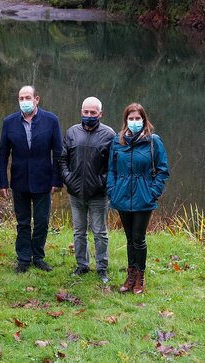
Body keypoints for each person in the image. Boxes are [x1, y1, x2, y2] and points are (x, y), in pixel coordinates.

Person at [0, 85, 63, 273]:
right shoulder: (9, 122)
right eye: (21, 98)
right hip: (19, 180)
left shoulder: (51, 121)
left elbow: (58, 153)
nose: (24, 101)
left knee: (41, 221)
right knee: (23, 221)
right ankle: (24, 258)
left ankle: (38, 257)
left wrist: (57, 181)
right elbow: (3, 154)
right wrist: (2, 181)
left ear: (37, 99)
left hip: (43, 180)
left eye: (28, 97)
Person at [107, 102, 170, 295]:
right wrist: (112, 189)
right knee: (128, 239)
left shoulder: (153, 141)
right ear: (126, 120)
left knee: (138, 238)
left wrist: (153, 192)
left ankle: (140, 277)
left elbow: (162, 170)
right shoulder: (117, 141)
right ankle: (130, 275)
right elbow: (111, 169)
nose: (134, 122)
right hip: (123, 195)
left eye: (137, 118)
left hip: (144, 197)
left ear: (143, 119)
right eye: (131, 118)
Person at [57, 96, 115, 283]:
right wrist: (68, 179)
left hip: (98, 194)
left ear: (100, 114)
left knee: (100, 232)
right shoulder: (72, 132)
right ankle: (82, 265)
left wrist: (101, 182)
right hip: (75, 193)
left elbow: (113, 165)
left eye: (93, 113)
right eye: (86, 112)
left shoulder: (109, 135)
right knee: (78, 232)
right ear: (81, 111)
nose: (89, 115)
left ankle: (101, 268)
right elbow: (63, 159)